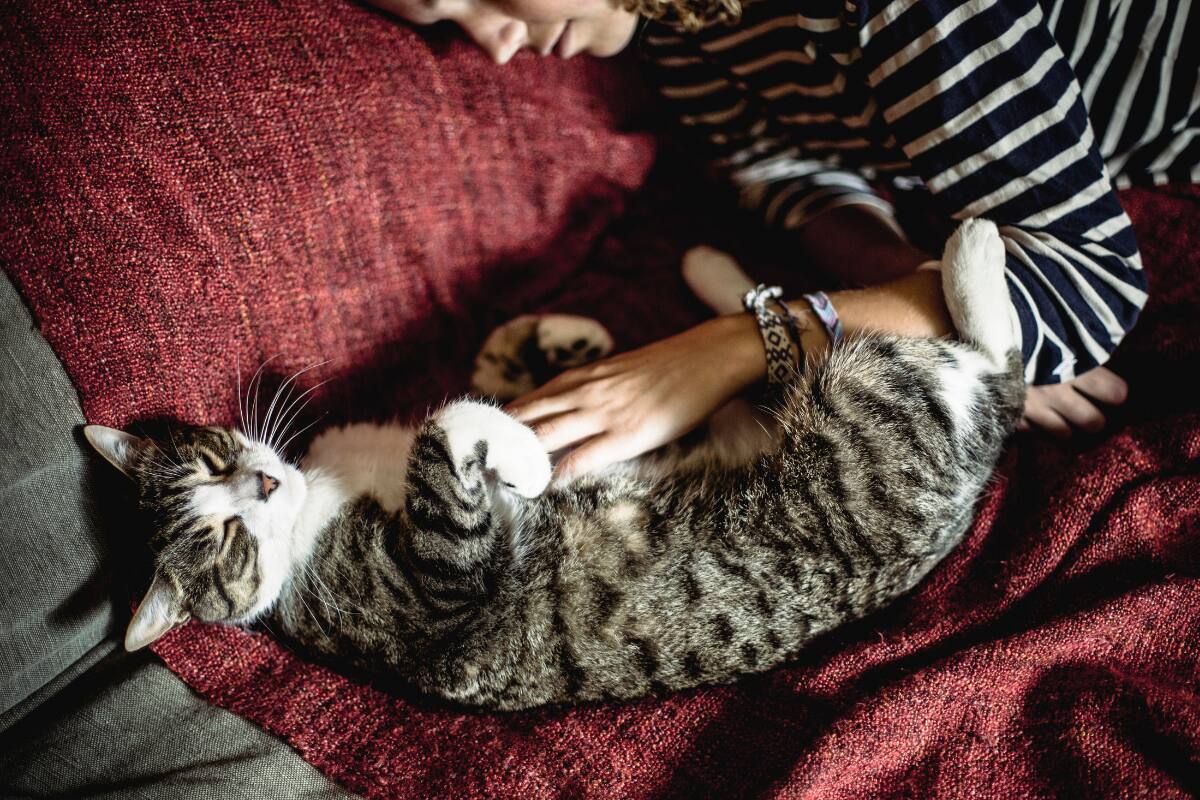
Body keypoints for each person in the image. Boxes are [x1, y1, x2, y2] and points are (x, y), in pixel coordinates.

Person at [369, 0, 1198, 475]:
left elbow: (1087, 283)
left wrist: (728, 349)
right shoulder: (680, 31)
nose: (497, 45)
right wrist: (929, 298)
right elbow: (776, 167)